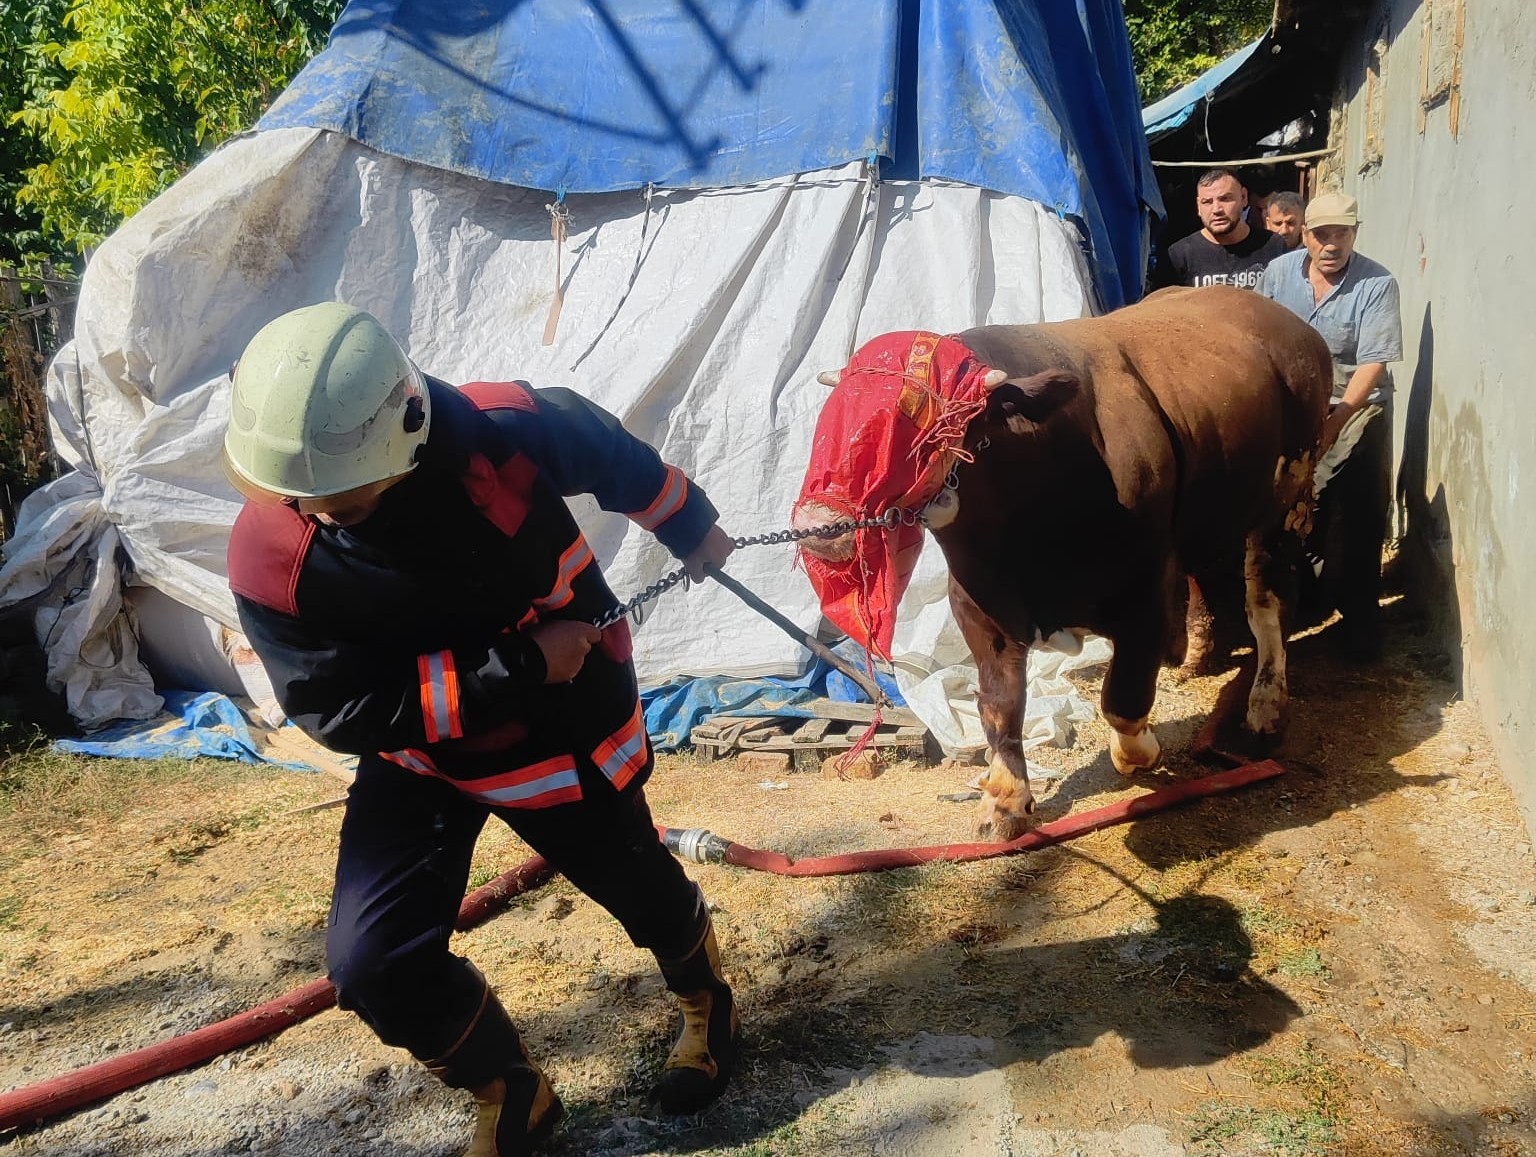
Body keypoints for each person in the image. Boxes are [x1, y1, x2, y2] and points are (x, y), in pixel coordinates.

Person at [222, 303, 740, 1156]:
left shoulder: (501, 432)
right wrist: (523, 664)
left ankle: (705, 1001)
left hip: (565, 728)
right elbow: (341, 708)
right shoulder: (276, 557)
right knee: (371, 961)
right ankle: (512, 1088)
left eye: (341, 503)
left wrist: (689, 522)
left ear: (406, 431)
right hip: (425, 754)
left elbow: (602, 446)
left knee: (637, 880)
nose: (315, 513)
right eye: (299, 498)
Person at [1258, 190, 1403, 659]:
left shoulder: (1376, 283)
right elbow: (1255, 335)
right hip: (1295, 402)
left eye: (1342, 233)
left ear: (1354, 233)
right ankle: (1296, 607)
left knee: (1352, 507)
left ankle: (1360, 619)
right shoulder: (1279, 275)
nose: (1332, 244)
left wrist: (1337, 418)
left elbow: (1374, 362)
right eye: (1322, 234)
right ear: (1305, 235)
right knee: (1284, 505)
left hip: (1355, 402)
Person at [1153, 168, 1289, 289]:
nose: (1216, 209)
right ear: (1198, 206)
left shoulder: (1273, 246)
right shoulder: (1179, 256)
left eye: (1225, 199)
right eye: (1207, 202)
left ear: (1243, 197)